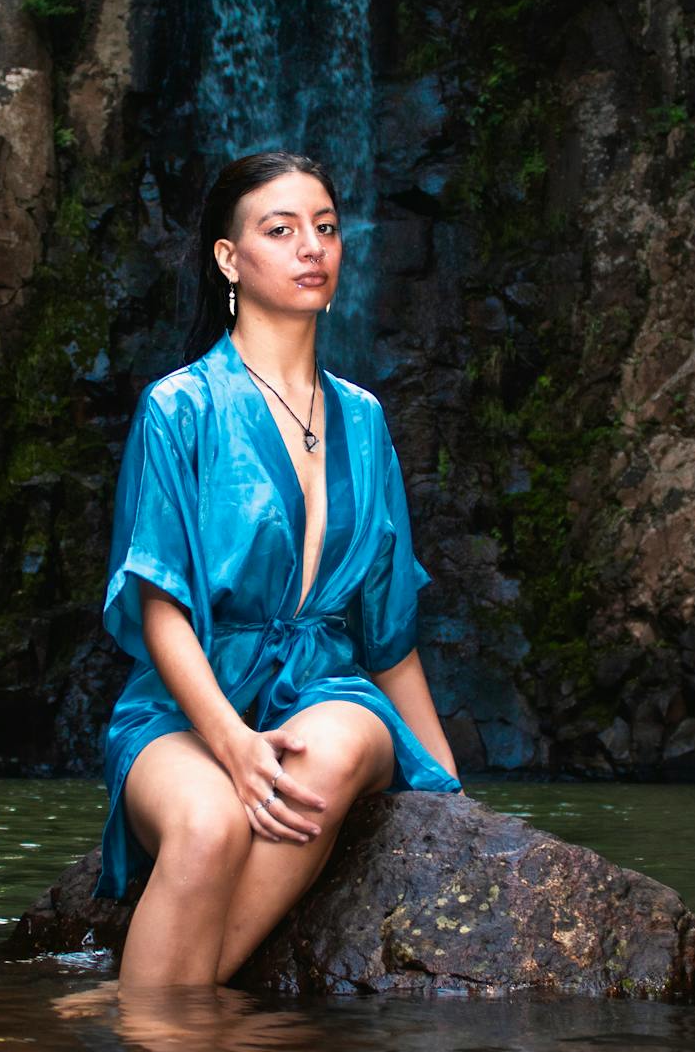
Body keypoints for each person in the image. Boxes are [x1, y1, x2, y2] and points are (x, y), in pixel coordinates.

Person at [95, 150, 462, 988]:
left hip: (323, 690)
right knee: (208, 824)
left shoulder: (363, 418)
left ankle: (141, 1009)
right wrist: (232, 744)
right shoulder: (179, 406)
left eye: (325, 228)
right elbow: (159, 607)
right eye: (280, 229)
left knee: (328, 756)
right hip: (184, 707)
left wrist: (449, 790)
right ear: (228, 258)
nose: (311, 248)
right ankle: (170, 1036)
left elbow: (387, 632)